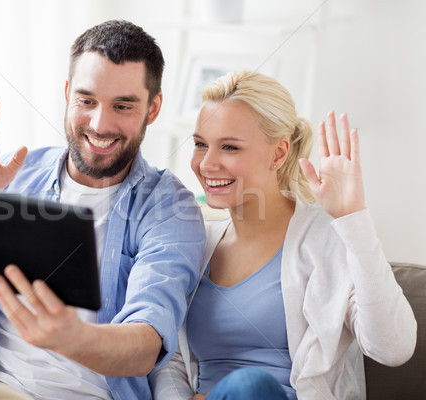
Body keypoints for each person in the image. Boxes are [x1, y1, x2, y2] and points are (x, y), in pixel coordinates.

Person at [0, 20, 206, 400]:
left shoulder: (170, 209)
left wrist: (73, 337)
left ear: (152, 108)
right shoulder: (11, 176)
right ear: (67, 93)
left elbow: (145, 345)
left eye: (122, 106)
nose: (99, 124)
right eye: (86, 100)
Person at [149, 70, 417, 400]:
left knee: (250, 388)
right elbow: (170, 360)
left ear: (278, 153)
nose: (207, 163)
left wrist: (353, 217)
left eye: (229, 147)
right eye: (201, 144)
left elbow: (393, 349)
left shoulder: (327, 238)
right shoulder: (196, 241)